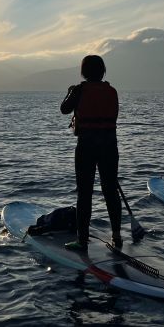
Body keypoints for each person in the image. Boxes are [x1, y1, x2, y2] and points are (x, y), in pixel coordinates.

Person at [60, 55, 122, 251]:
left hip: (87, 146)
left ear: (84, 72)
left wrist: (70, 92)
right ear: (102, 71)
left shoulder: (78, 91)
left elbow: (64, 109)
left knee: (85, 193)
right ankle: (117, 236)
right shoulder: (111, 91)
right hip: (110, 146)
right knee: (110, 191)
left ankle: (82, 240)